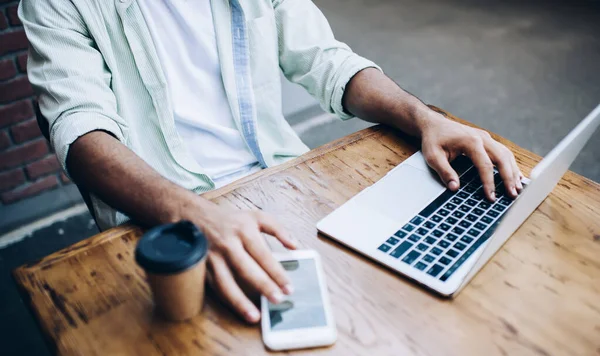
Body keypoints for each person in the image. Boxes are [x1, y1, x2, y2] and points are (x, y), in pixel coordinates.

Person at [20, 0, 523, 324]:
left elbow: (326, 59)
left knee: (402, 310)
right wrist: (193, 213)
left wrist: (424, 117)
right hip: (165, 221)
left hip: (283, 186)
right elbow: (80, 131)